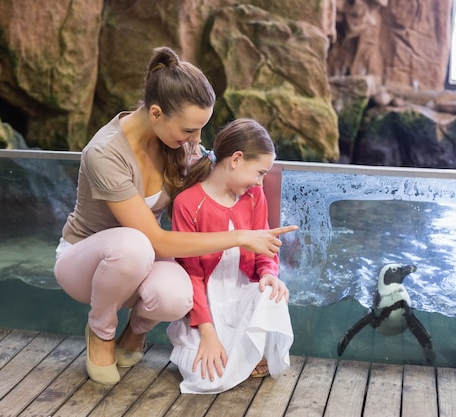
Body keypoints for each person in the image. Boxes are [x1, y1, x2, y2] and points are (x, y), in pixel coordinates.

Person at [53, 47, 298, 386]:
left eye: (200, 129)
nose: (196, 140)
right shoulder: (104, 154)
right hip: (86, 262)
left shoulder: (176, 144)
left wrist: (258, 186)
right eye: (189, 130)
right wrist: (242, 236)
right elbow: (156, 239)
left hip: (141, 257)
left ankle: (135, 331)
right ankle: (101, 330)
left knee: (176, 296)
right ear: (156, 113)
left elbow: (222, 172)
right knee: (134, 245)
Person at [166, 118, 294, 394]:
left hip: (242, 292)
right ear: (236, 159)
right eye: (259, 172)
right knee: (206, 381)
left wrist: (270, 274)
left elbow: (264, 250)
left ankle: (251, 351)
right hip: (207, 304)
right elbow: (191, 273)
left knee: (274, 295)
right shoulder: (188, 203)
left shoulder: (254, 196)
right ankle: (221, 348)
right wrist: (208, 333)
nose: (260, 182)